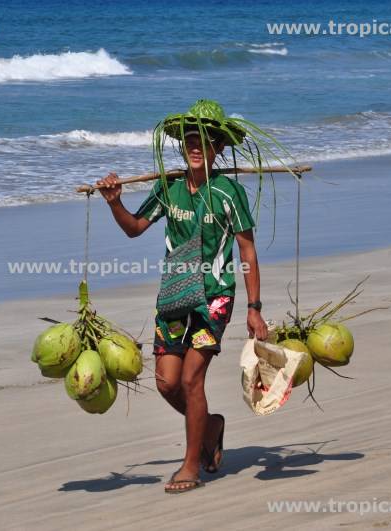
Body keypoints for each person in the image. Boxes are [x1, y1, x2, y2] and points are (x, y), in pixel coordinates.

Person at [95, 100, 269, 494]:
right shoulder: (169, 189)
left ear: (218, 148)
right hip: (175, 296)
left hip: (214, 300)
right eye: (190, 139)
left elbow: (247, 253)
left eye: (205, 140)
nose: (196, 145)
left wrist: (254, 309)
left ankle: (191, 463)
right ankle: (211, 426)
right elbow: (136, 228)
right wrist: (115, 203)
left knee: (192, 378)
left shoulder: (229, 193)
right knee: (167, 383)